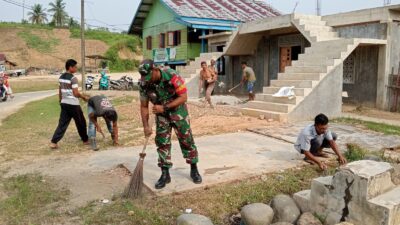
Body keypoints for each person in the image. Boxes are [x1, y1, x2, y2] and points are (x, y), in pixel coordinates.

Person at [138, 59, 202, 189]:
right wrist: (145, 125)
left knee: (186, 140)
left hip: (179, 113)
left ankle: (194, 169)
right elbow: (144, 106)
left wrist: (164, 107)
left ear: (155, 70)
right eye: (144, 77)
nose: (147, 80)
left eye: (148, 76)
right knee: (162, 143)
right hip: (162, 117)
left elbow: (183, 97)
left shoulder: (171, 75)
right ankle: (165, 174)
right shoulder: (144, 83)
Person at [50, 59, 89, 149]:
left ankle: (53, 142)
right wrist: (83, 97)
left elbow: (60, 90)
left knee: (62, 123)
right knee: (81, 122)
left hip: (64, 103)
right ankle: (85, 140)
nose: (76, 68)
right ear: (70, 67)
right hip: (73, 104)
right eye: (75, 67)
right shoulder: (73, 78)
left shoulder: (61, 77)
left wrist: (60, 100)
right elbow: (75, 93)